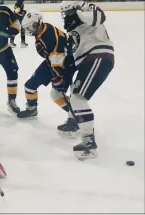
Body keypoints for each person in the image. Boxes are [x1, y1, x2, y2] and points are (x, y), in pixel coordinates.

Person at [59, 1, 114, 160]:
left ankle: (89, 142)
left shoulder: (87, 10)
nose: (65, 16)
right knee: (74, 94)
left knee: (77, 98)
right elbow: (74, 51)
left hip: (99, 55)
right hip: (87, 59)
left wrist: (78, 13)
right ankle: (73, 121)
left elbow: (98, 17)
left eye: (67, 12)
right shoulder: (75, 28)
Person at [17, 10, 75, 119]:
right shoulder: (43, 28)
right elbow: (52, 54)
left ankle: (77, 115)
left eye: (30, 27)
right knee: (30, 86)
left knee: (56, 94)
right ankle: (32, 109)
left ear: (37, 23)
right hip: (54, 61)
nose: (29, 30)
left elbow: (58, 54)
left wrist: (58, 76)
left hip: (64, 66)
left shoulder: (47, 36)